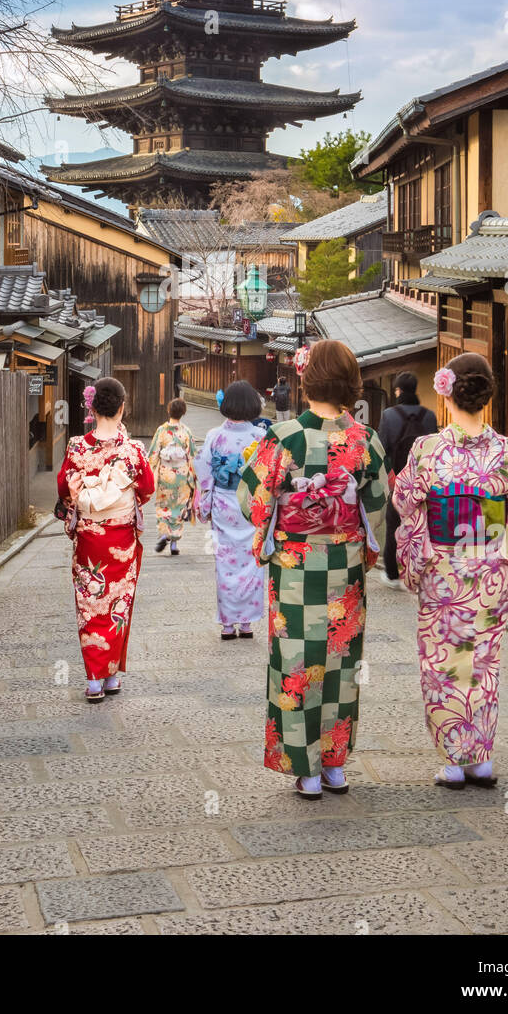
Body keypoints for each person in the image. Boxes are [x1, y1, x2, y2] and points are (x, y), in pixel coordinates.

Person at [393, 352, 508, 789]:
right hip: (489, 573)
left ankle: (453, 761)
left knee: (444, 665)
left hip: (443, 571)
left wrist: (416, 553)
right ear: (485, 395)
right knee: (483, 665)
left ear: (446, 392)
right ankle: (481, 760)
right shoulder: (506, 450)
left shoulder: (428, 450)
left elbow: (404, 502)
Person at [238, 341, 392, 799]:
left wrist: (291, 515)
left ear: (305, 384)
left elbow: (252, 500)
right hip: (343, 569)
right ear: (351, 384)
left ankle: (304, 769)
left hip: (294, 567)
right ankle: (335, 765)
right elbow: (378, 504)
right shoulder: (364, 439)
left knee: (296, 661)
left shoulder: (284, 437)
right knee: (341, 663)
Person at [57, 377, 155, 703]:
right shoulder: (134, 451)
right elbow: (148, 488)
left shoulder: (76, 447)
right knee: (117, 604)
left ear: (91, 406)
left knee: (90, 606)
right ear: (122, 407)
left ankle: (95, 681)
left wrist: (82, 499)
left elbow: (63, 489)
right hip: (121, 541)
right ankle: (111, 675)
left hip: (89, 540)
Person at [195, 380, 267, 640]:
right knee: (252, 562)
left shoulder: (215, 435)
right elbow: (267, 475)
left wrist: (204, 505)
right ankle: (246, 622)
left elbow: (204, 473)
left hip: (224, 504)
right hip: (251, 504)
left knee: (225, 564)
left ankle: (228, 624)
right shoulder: (260, 437)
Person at [377, 371, 437, 591]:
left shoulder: (389, 415)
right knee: (423, 525)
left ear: (398, 391)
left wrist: (388, 479)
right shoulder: (429, 416)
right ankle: (420, 571)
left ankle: (393, 574)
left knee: (395, 526)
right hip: (424, 480)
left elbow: (382, 449)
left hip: (398, 481)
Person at [148, 398, 197, 556]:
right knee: (179, 507)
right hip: (182, 476)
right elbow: (192, 455)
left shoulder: (161, 430)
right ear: (183, 413)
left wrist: (150, 470)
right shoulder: (187, 432)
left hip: (166, 475)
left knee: (164, 505)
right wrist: (194, 476)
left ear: (169, 411)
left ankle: (164, 534)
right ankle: (174, 543)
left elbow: (153, 453)